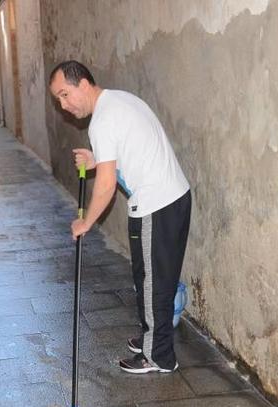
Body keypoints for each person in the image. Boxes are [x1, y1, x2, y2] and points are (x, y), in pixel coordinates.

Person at [49, 60, 191, 374]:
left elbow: (107, 184)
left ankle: (158, 356)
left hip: (157, 204)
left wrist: (86, 221)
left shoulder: (102, 120)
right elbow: (128, 152)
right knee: (152, 279)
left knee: (153, 283)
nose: (63, 105)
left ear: (83, 84)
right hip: (172, 198)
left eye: (64, 95)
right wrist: (97, 159)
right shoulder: (119, 101)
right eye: (58, 99)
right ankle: (153, 337)